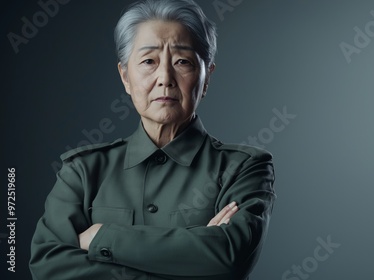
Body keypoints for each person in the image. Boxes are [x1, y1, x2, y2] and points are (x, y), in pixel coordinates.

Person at [29, 0, 276, 279]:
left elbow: (229, 258)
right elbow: (49, 266)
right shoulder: (83, 171)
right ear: (125, 76)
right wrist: (194, 261)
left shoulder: (244, 169)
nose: (165, 78)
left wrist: (102, 237)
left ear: (206, 78)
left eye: (182, 62)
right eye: (149, 61)